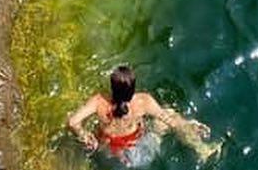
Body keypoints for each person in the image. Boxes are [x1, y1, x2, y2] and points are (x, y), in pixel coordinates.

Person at [66, 65, 220, 163]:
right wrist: (187, 124)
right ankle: (202, 150)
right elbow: (170, 121)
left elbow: (72, 122)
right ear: (133, 89)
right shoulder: (142, 101)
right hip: (139, 152)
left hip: (109, 152)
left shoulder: (99, 101)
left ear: (112, 88)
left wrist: (85, 136)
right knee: (168, 113)